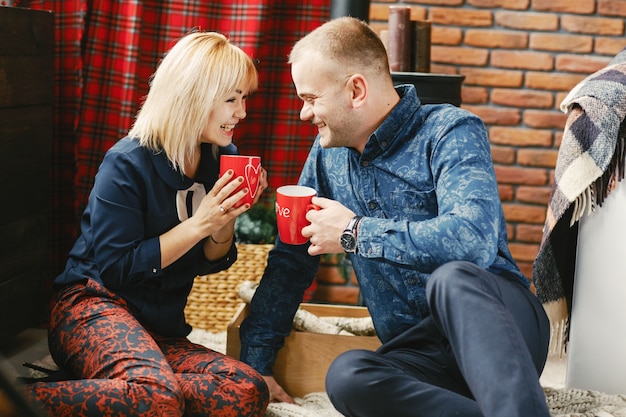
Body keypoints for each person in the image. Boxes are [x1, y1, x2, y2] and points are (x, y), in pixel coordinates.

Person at [239, 17, 551, 417]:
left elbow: (473, 240)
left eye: (312, 99)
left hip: (501, 327)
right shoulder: (326, 157)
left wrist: (354, 232)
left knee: (452, 276)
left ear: (356, 90)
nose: (304, 114)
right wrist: (256, 367)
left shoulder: (449, 130)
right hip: (421, 354)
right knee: (348, 376)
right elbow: (291, 261)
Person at [20, 31, 270, 417]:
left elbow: (212, 260)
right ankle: (14, 400)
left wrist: (225, 219)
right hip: (93, 307)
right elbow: (116, 268)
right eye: (232, 99)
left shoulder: (221, 157)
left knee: (245, 389)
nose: (241, 112)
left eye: (244, 99)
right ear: (194, 96)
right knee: (155, 395)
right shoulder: (127, 161)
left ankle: (129, 388)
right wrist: (199, 224)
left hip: (158, 324)